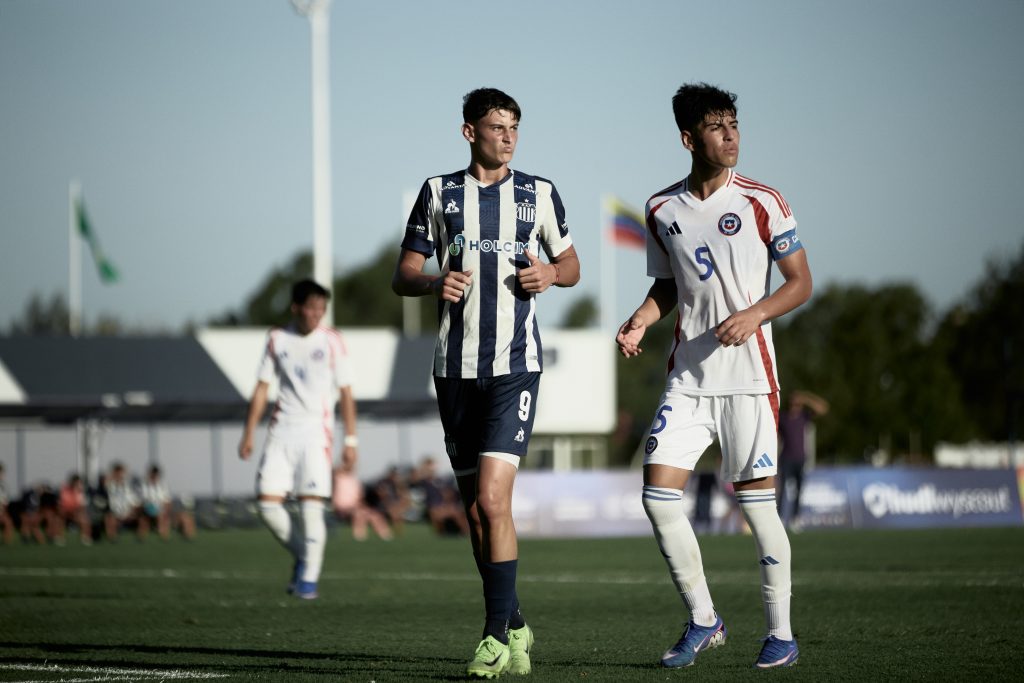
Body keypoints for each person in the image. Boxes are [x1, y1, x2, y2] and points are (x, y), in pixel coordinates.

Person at [616, 82, 812, 670]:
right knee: (657, 496)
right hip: (690, 379)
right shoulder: (661, 209)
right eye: (716, 127)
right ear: (688, 139)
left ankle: (781, 634)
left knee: (758, 509)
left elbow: (800, 282)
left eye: (734, 125)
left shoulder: (762, 200)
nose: (731, 136)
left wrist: (755, 314)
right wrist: (641, 319)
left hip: (749, 380)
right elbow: (668, 286)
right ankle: (704, 619)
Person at [391, 87, 580, 678]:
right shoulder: (439, 192)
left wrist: (551, 273)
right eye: (497, 127)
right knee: (476, 512)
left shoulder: (538, 193)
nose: (508, 137)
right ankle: (515, 622)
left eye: (514, 127)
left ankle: (494, 636)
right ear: (469, 132)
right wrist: (433, 282)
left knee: (495, 500)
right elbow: (403, 273)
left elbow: (572, 265)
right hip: (454, 370)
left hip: (514, 367)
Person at [238, 278, 358, 600]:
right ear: (296, 308)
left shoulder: (332, 340)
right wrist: (248, 432)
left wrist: (351, 441)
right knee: (267, 505)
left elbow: (347, 393)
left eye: (322, 309)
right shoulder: (277, 338)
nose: (317, 314)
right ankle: (304, 555)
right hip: (281, 431)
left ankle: (308, 580)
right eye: (312, 308)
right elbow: (262, 387)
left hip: (316, 433)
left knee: (310, 507)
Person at [777, 390, 829, 531]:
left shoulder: (804, 416)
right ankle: (780, 518)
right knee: (782, 490)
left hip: (800, 459)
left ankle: (795, 518)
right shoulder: (783, 418)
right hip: (786, 458)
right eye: (793, 403)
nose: (795, 406)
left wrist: (806, 398)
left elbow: (823, 408)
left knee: (799, 490)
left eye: (798, 404)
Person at [331, 463, 393, 541]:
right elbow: (335, 471)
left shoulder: (354, 480)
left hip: (355, 507)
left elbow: (360, 498)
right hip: (342, 508)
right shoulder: (338, 478)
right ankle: (359, 537)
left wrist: (362, 505)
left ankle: (385, 536)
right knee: (359, 514)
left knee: (375, 515)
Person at [140, 465, 196, 541]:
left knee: (186, 517)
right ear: (150, 474)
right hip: (150, 512)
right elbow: (144, 503)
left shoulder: (163, 486)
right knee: (159, 517)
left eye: (156, 475)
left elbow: (168, 501)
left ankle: (188, 535)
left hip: (163, 510)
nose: (155, 477)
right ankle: (162, 534)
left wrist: (166, 509)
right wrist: (156, 510)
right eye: (153, 474)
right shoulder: (144, 486)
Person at [104, 463, 146, 541]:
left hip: (128, 513)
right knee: (109, 518)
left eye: (122, 473)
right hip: (115, 513)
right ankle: (112, 537)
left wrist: (133, 510)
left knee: (142, 517)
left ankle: (140, 537)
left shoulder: (127, 486)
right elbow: (106, 481)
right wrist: (114, 475)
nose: (120, 476)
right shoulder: (110, 485)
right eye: (118, 473)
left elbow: (134, 500)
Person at [57, 473, 93, 545]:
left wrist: (77, 512)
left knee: (85, 520)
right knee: (59, 519)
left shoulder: (80, 491)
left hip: (76, 512)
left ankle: (85, 538)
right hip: (65, 512)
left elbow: (81, 505)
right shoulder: (65, 489)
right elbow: (62, 502)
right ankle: (60, 538)